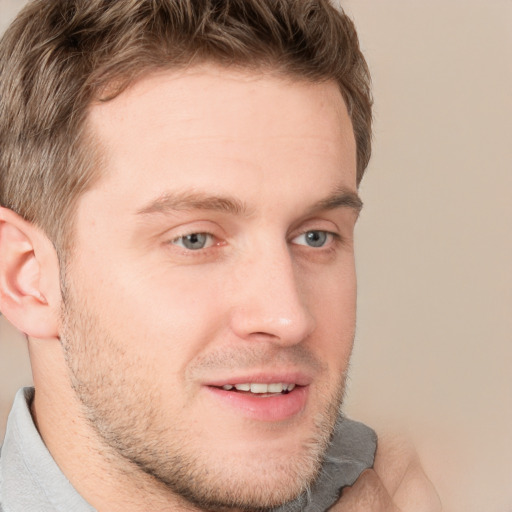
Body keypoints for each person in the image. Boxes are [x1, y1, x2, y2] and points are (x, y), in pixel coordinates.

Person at [0, 1, 441, 510]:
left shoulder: (408, 485)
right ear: (26, 277)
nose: (288, 317)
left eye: (315, 236)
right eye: (195, 239)